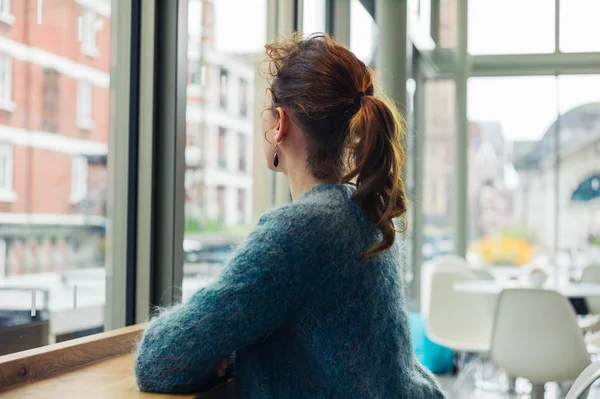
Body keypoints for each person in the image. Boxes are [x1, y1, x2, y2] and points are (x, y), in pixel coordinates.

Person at [135, 33, 446, 398]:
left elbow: (157, 360)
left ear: (279, 123)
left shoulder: (299, 232)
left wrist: (218, 347)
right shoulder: (366, 209)